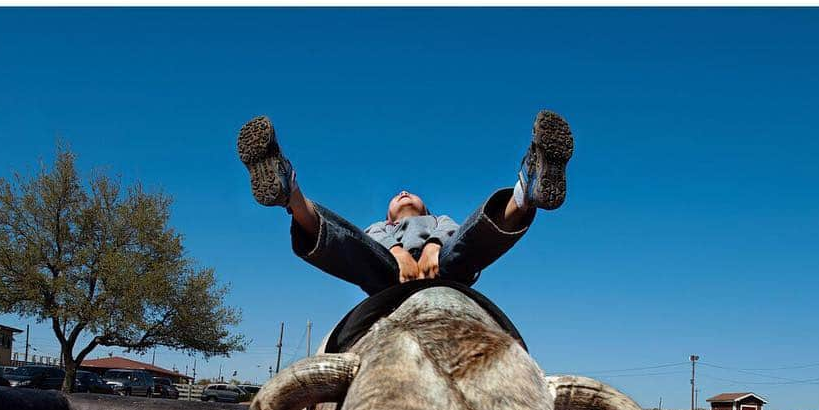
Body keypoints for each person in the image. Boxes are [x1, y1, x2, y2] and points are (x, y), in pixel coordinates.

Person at [237, 110, 573, 296]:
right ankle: (289, 191)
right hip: (387, 274)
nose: (403, 192)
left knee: (466, 248)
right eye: (397, 197)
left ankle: (527, 190)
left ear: (426, 210)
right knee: (352, 246)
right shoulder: (380, 229)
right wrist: (396, 254)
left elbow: (458, 233)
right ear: (387, 215)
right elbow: (366, 242)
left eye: (410, 195)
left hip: (444, 269)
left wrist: (432, 249)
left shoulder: (437, 221)